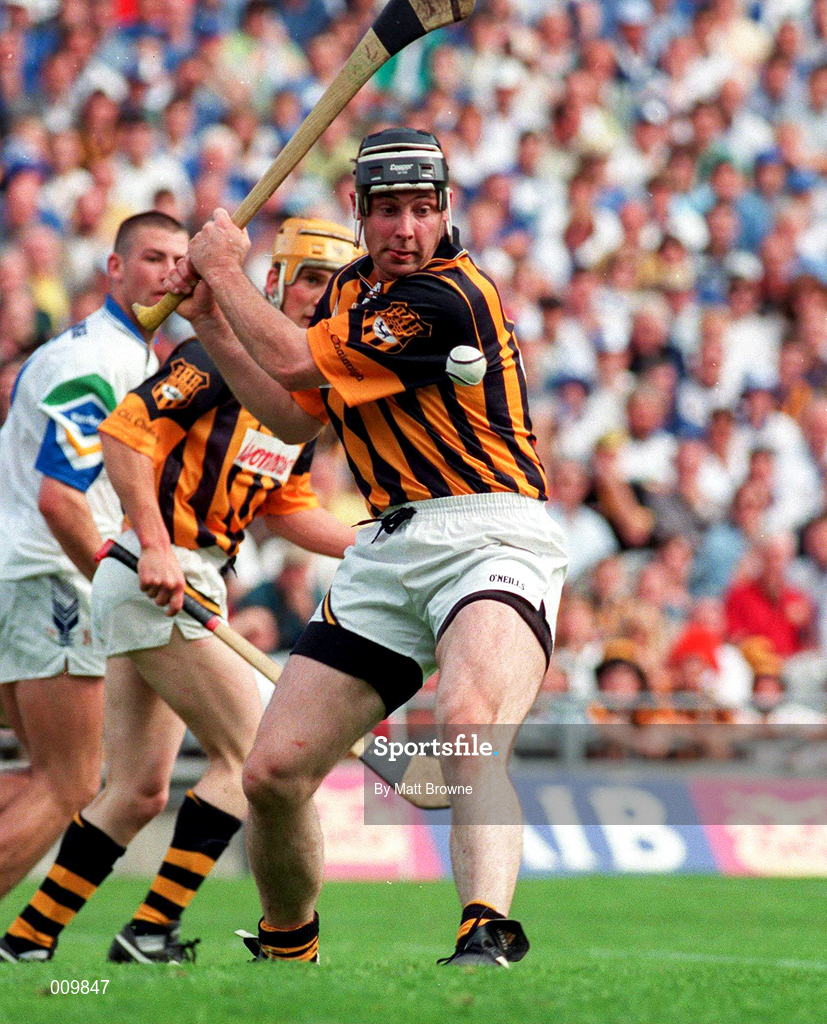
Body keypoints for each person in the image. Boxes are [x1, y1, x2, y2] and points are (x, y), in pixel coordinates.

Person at [167, 128, 569, 967]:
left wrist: (224, 269)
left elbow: (295, 355)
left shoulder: (447, 297)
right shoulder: (350, 292)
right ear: (360, 213)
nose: (407, 228)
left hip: (490, 528)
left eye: (424, 209)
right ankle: (288, 944)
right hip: (387, 546)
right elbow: (290, 412)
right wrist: (214, 320)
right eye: (388, 210)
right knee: (272, 774)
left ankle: (484, 926)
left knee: (465, 720)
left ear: (445, 211)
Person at [0, 218, 359, 963]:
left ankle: (29, 942)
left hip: (188, 581)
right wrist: (155, 543)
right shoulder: (217, 355)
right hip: (155, 574)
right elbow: (126, 433)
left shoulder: (306, 394)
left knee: (135, 791)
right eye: (311, 278)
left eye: (337, 284)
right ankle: (151, 930)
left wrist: (377, 544)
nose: (321, 297)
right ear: (276, 280)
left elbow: (283, 506)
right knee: (256, 753)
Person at [0, 211, 189, 902]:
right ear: (113, 268)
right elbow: (60, 498)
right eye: (151, 257)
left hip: (19, 576)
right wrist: (113, 579)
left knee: (38, 774)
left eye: (178, 260)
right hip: (47, 579)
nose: (167, 272)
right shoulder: (102, 361)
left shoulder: (110, 354)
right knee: (70, 783)